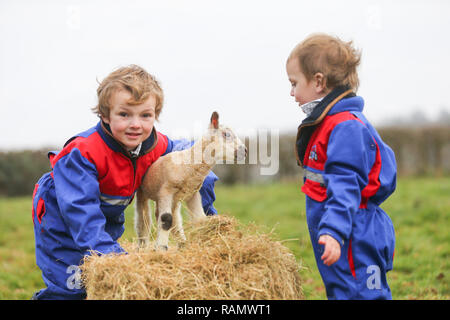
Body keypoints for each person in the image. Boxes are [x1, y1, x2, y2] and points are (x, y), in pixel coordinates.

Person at [31, 65, 218, 300]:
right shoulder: (84, 153)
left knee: (103, 287)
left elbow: (183, 153)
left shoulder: (153, 144)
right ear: (105, 115)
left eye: (145, 115)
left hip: (106, 217)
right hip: (62, 218)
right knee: (72, 286)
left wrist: (202, 175)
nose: (136, 124)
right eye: (124, 114)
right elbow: (81, 212)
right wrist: (110, 254)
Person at [286, 33, 397, 299]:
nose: (291, 92)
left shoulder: (345, 126)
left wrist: (335, 231)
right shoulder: (328, 123)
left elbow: (346, 182)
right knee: (342, 292)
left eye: (294, 83)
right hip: (342, 233)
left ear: (319, 81)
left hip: (353, 236)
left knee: (362, 294)